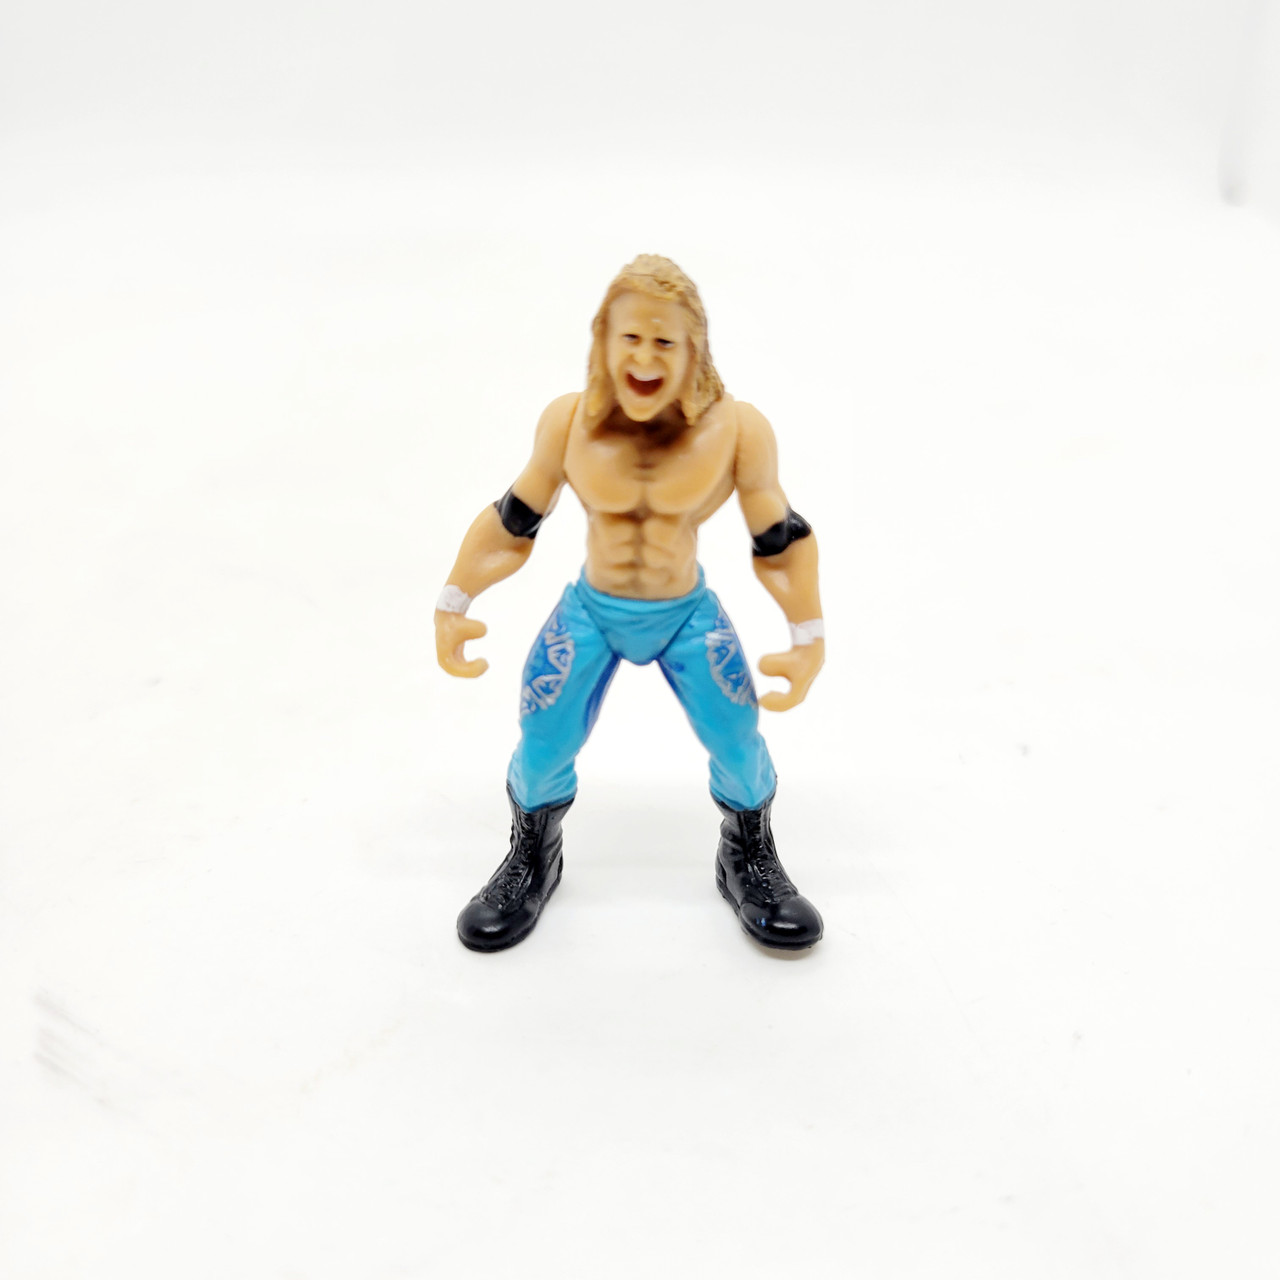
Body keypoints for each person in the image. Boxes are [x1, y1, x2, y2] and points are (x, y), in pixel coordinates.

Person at [435, 255, 826, 952]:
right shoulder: (569, 423)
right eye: (631, 338)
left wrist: (808, 635)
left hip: (684, 616)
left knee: (738, 739)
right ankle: (532, 854)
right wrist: (454, 600)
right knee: (542, 740)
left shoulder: (737, 431)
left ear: (694, 349)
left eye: (665, 341)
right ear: (603, 341)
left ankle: (748, 854)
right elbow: (514, 518)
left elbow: (780, 538)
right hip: (594, 612)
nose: (645, 358)